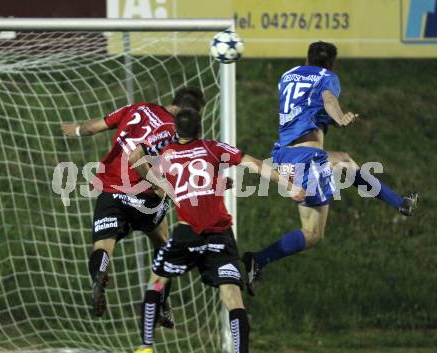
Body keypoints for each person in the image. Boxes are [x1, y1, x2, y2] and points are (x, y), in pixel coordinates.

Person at [243, 41, 418, 295]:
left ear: (307, 58)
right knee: (342, 168)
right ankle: (400, 203)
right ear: (332, 63)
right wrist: (339, 117)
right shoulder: (328, 77)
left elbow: (306, 107)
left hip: (283, 153)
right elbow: (327, 99)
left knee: (315, 227)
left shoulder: (287, 76)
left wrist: (328, 119)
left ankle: (257, 260)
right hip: (306, 159)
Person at [133, 108, 305, 353]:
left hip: (186, 234)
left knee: (157, 283)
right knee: (232, 298)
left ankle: (145, 346)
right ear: (199, 129)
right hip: (219, 236)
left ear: (176, 131)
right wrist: (289, 187)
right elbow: (254, 164)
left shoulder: (166, 155)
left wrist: (161, 187)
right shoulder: (213, 147)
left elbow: (173, 180)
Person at [61, 87, 206, 326]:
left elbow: (91, 127)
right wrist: (162, 185)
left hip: (111, 191)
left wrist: (75, 129)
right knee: (163, 244)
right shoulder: (176, 129)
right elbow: (143, 159)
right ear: (192, 112)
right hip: (145, 195)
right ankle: (160, 301)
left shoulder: (137, 108)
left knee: (103, 245)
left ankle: (99, 274)